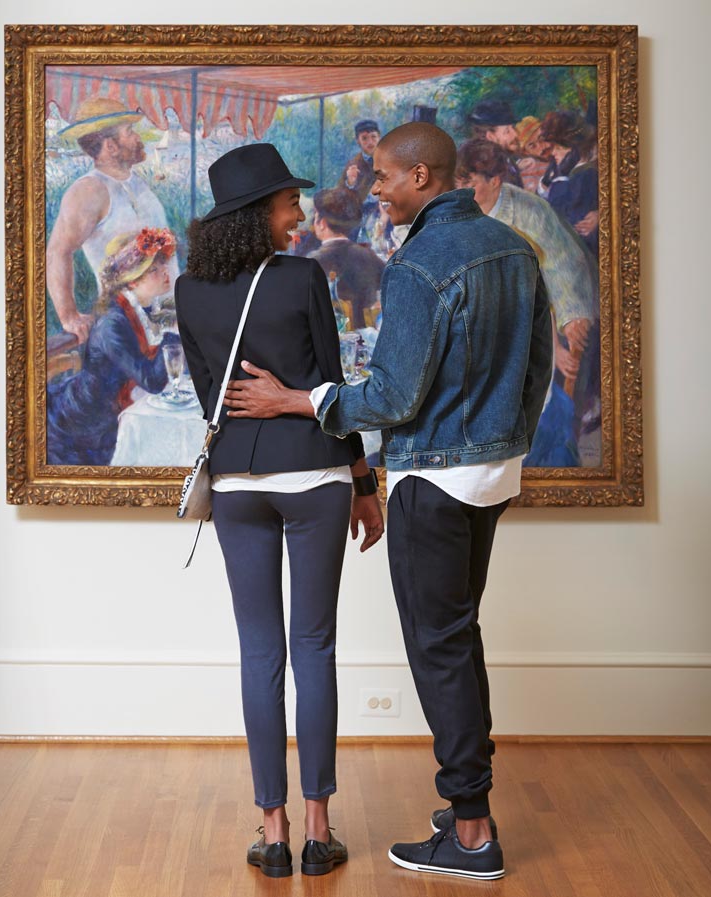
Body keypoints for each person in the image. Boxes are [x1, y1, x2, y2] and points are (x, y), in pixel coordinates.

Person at [223, 123, 553, 881]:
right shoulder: (512, 248)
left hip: (433, 482)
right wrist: (506, 443)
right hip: (492, 477)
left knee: (440, 650)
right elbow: (536, 369)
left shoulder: (417, 263)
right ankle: (469, 808)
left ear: (422, 177)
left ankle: (472, 833)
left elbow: (394, 397)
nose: (374, 189)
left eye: (383, 177)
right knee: (458, 639)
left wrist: (299, 399)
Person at [174, 144, 385, 879]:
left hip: (237, 482)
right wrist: (363, 480)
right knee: (314, 646)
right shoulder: (301, 278)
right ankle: (319, 831)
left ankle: (272, 832)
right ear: (258, 211)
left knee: (260, 652)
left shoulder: (189, 290)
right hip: (315, 474)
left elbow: (209, 395)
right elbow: (331, 384)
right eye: (289, 201)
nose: (298, 213)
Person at [455, 139, 600, 466]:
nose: (460, 192)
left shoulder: (529, 212)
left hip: (535, 320)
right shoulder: (458, 211)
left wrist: (572, 315)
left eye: (469, 184)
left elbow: (564, 263)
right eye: (458, 183)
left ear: (495, 181)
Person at [46, 97, 179, 343]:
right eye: (129, 132)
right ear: (110, 146)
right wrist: (69, 316)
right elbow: (57, 251)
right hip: (128, 327)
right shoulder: (89, 190)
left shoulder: (136, 182)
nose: (137, 138)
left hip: (169, 320)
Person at [46, 227, 178, 465]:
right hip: (80, 427)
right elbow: (152, 381)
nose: (165, 272)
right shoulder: (112, 323)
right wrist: (173, 332)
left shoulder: (143, 310)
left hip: (111, 414)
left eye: (163, 265)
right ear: (133, 280)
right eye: (154, 270)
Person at [308, 188, 385, 328]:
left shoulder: (313, 262)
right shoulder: (369, 256)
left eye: (315, 215)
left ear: (322, 223)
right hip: (367, 334)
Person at [539, 110, 600, 258]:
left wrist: (559, 179)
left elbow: (560, 216)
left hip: (583, 253)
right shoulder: (562, 169)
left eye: (559, 148)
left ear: (575, 149)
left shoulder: (585, 176)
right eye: (553, 147)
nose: (553, 153)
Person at [467, 100, 523, 187]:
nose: (515, 134)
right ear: (490, 136)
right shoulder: (488, 171)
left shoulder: (506, 160)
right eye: (507, 131)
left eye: (513, 128)